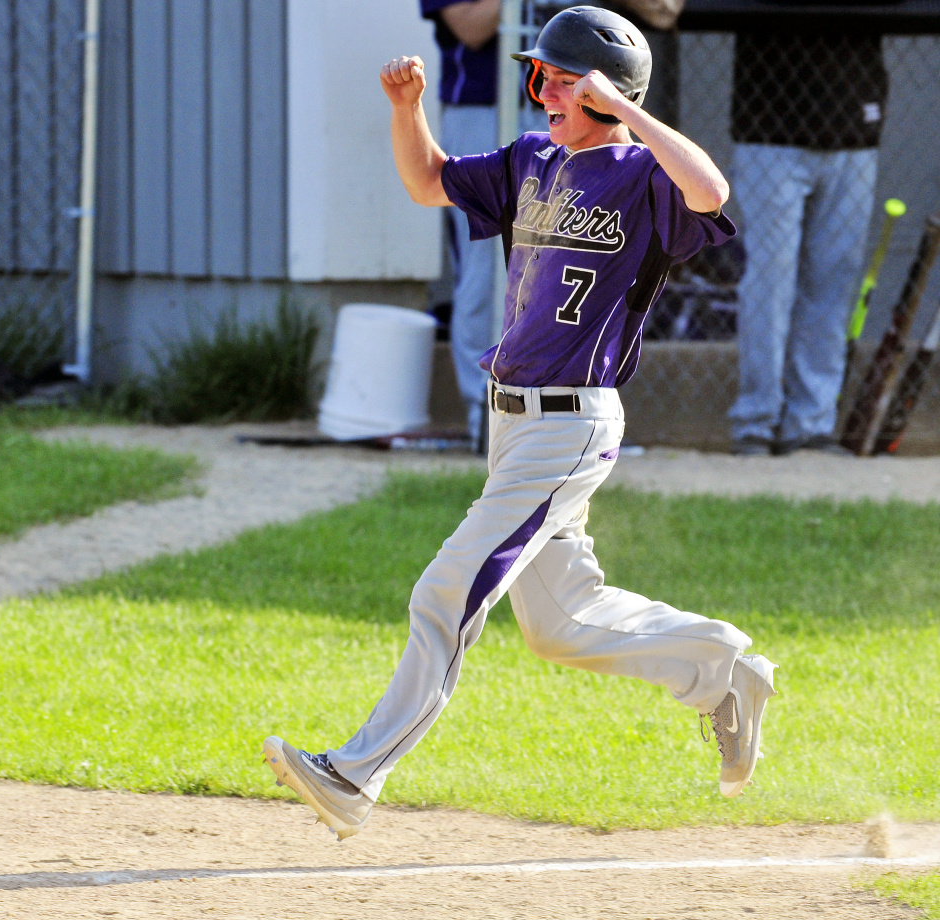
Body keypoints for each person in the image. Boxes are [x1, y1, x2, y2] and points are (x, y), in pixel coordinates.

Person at [263, 6, 777, 841]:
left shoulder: (645, 176)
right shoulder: (532, 161)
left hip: (571, 422)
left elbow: (711, 193)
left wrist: (629, 110)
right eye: (541, 77)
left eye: (564, 81)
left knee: (445, 589)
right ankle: (722, 670)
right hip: (513, 425)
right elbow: (426, 180)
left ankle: (356, 775)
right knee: (561, 623)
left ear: (611, 95)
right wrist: (407, 110)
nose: (545, 93)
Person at [727, 22, 887, 456]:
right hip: (768, 131)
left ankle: (811, 422)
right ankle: (756, 420)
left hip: (852, 130)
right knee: (770, 280)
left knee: (833, 281)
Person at [420, 0, 503, 451]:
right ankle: (485, 415)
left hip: (564, 109)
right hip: (481, 111)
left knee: (557, 255)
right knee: (485, 261)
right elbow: (471, 27)